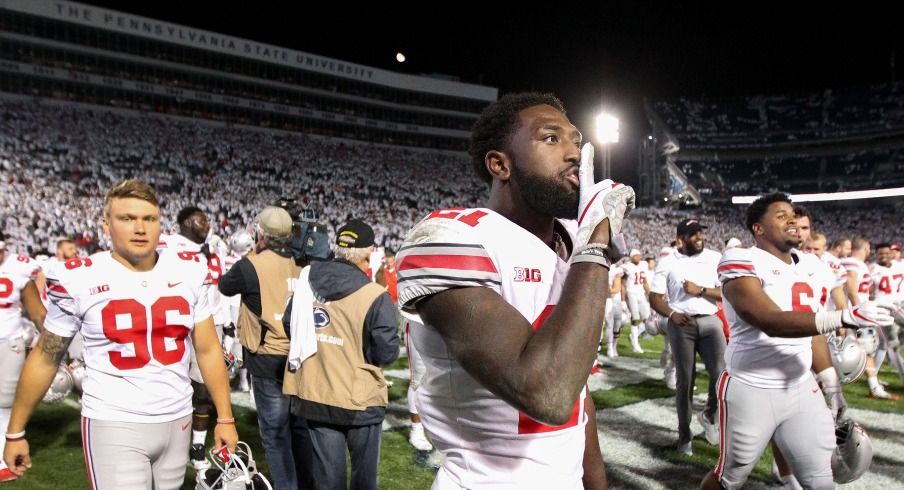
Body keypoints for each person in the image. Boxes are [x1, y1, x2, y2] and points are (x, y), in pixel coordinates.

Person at [396, 91, 635, 489]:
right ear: (499, 164)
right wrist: (594, 247)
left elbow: (576, 391)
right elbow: (547, 393)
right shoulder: (450, 236)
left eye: (576, 140)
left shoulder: (573, 243)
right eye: (551, 138)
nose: (575, 153)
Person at [3, 179, 238, 488]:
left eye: (148, 219)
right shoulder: (79, 276)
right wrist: (15, 431)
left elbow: (207, 349)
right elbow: (47, 356)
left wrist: (225, 417)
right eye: (127, 219)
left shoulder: (189, 269)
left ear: (160, 224)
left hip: (178, 415)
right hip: (113, 419)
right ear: (106, 224)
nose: (139, 228)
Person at [700, 192, 895, 489]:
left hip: (800, 385)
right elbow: (767, 319)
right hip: (752, 386)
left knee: (820, 478)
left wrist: (831, 384)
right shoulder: (740, 258)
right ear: (758, 228)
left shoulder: (812, 265)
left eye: (793, 214)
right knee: (729, 478)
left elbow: (809, 326)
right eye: (780, 216)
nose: (791, 220)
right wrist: (845, 316)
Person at [283, 219, 400, 489]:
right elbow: (386, 352)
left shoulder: (306, 279)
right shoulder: (374, 295)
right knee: (363, 481)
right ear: (370, 253)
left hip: (317, 392)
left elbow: (291, 326)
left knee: (327, 481)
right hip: (359, 399)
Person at [218, 205, 314, 490]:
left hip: (266, 355)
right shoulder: (305, 262)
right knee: (299, 429)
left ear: (260, 234)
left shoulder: (252, 264)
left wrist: (252, 253)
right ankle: (306, 484)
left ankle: (287, 486)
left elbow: (225, 285)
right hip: (300, 356)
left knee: (275, 434)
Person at [157, 205, 230, 470]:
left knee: (203, 389)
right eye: (202, 219)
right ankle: (168, 443)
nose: (208, 224)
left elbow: (218, 290)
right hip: (174, 322)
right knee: (170, 385)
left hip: (210, 322)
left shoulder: (216, 247)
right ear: (187, 222)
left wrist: (226, 323)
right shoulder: (165, 244)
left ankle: (197, 447)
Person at [649, 218, 725, 456]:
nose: (699, 237)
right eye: (693, 234)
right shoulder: (668, 260)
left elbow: (727, 291)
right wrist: (672, 314)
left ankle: (709, 415)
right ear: (681, 239)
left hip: (711, 321)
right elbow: (655, 297)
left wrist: (700, 290)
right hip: (682, 324)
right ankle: (684, 436)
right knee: (685, 381)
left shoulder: (715, 258)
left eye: (701, 233)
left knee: (722, 376)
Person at [0, 232, 46, 483]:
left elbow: (37, 311)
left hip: (9, 340)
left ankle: (1, 457)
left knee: (5, 400)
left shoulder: (18, 266)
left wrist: (52, 342)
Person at [375, 250, 433, 451]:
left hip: (441, 325)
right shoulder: (409, 264)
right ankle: (416, 430)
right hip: (418, 322)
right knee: (418, 379)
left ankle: (436, 424)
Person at [842, 236, 898, 400]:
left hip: (852, 312)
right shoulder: (853, 263)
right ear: (865, 249)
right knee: (865, 349)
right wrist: (860, 312)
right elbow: (852, 290)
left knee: (868, 350)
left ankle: (875, 387)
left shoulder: (855, 264)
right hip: (853, 314)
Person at [622, 249, 651, 353]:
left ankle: (634, 335)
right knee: (635, 318)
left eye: (639, 255)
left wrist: (650, 295)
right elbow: (623, 284)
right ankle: (635, 345)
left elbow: (645, 281)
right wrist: (623, 299)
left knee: (648, 318)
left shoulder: (643, 265)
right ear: (631, 257)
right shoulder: (627, 267)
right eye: (635, 256)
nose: (638, 257)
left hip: (641, 293)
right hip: (631, 293)